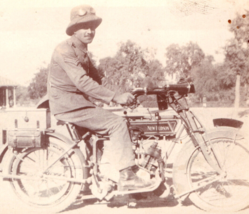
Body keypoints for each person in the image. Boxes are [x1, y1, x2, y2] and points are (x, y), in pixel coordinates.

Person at [47, 4, 154, 191]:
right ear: (73, 29)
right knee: (117, 123)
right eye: (84, 26)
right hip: (69, 105)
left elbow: (99, 80)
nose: (90, 31)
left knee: (122, 122)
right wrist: (115, 97)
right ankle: (127, 176)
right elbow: (82, 82)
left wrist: (126, 94)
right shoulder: (64, 50)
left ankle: (98, 178)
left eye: (92, 27)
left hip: (77, 103)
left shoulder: (82, 52)